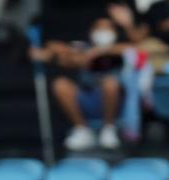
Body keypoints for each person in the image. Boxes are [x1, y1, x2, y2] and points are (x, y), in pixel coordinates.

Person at [31, 13, 129, 151]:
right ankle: (82, 129)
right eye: (99, 28)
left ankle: (108, 129)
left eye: (107, 28)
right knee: (60, 84)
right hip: (88, 98)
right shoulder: (82, 49)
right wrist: (52, 53)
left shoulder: (120, 48)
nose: (103, 32)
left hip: (115, 103)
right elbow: (67, 59)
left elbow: (131, 49)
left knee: (110, 83)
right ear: (92, 32)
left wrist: (99, 51)